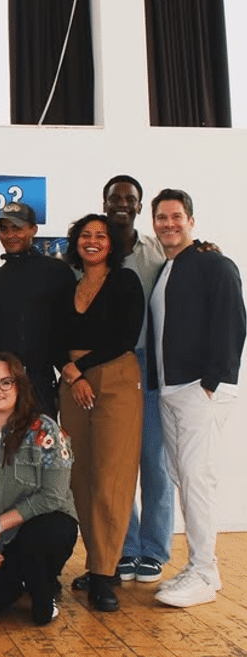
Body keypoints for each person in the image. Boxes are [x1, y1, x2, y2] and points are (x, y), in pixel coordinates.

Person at [148, 189, 245, 607]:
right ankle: (203, 567)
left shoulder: (214, 263)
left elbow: (233, 321)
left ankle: (204, 573)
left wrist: (212, 381)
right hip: (170, 391)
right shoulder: (165, 269)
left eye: (176, 216)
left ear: (191, 220)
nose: (168, 223)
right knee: (182, 476)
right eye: (161, 217)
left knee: (197, 480)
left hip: (198, 390)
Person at [0, 352, 78, 625]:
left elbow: (53, 496)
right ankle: (23, 579)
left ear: (20, 386)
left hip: (37, 533)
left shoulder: (44, 431)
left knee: (43, 533)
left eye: (6, 382)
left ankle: (42, 592)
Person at [58, 214, 144, 612]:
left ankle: (105, 575)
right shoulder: (68, 284)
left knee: (112, 477)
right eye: (86, 236)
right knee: (80, 477)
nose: (92, 242)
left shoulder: (125, 282)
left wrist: (80, 369)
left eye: (101, 236)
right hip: (73, 383)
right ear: (76, 242)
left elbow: (124, 336)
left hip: (114, 381)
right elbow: (50, 333)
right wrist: (71, 372)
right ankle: (96, 563)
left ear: (113, 244)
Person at [101, 175, 174, 584]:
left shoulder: (157, 251)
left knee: (155, 464)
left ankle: (154, 550)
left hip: (152, 369)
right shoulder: (92, 249)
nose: (122, 205)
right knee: (118, 466)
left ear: (138, 206)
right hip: (110, 368)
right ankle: (125, 548)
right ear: (105, 201)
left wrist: (205, 248)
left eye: (129, 199)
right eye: (115, 198)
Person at [0, 202, 75, 418]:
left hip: (40, 384)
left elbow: (68, 328)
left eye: (17, 228)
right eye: (4, 229)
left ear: (34, 229)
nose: (10, 234)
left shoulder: (57, 272)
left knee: (43, 450)